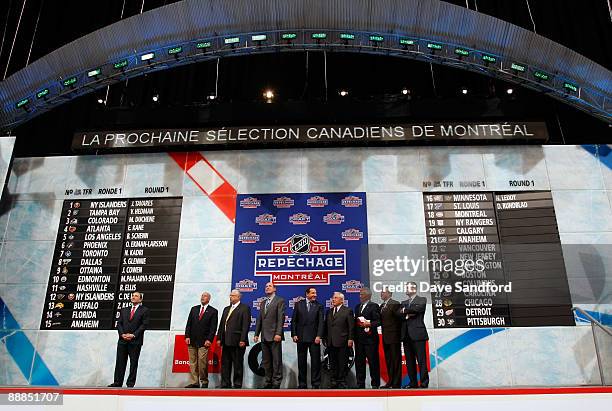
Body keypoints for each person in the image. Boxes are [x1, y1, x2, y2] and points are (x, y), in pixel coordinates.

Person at [108, 291, 149, 388]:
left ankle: (130, 384)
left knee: (133, 363)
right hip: (122, 340)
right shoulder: (124, 310)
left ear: (140, 299)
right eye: (132, 296)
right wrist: (122, 334)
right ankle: (117, 382)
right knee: (120, 362)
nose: (133, 297)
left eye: (136, 296)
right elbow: (119, 323)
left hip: (135, 341)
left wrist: (133, 335)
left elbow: (144, 325)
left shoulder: (145, 310)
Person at [254, 282, 286, 389]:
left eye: (270, 286)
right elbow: (260, 319)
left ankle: (276, 381)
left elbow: (281, 318)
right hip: (264, 336)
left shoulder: (279, 300)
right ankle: (268, 381)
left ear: (275, 289)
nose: (267, 287)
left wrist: (278, 333)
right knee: (266, 360)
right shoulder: (263, 303)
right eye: (266, 286)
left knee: (276, 360)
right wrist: (256, 333)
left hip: (274, 335)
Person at [217, 289, 251, 388]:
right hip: (226, 341)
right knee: (225, 364)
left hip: (238, 341)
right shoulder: (226, 309)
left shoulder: (244, 308)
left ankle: (237, 383)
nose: (230, 297)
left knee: (237, 364)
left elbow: (246, 325)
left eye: (232, 295)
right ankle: (225, 383)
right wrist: (219, 338)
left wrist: (243, 339)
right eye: (230, 295)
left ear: (238, 297)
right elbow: (222, 324)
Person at [291, 286, 324, 389]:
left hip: (314, 338)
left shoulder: (319, 306)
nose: (315, 295)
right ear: (307, 294)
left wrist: (319, 335)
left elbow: (321, 323)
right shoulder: (298, 304)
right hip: (301, 337)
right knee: (301, 362)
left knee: (316, 362)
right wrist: (294, 334)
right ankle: (302, 383)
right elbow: (294, 321)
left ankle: (316, 384)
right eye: (313, 293)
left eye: (315, 293)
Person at [184, 291, 219, 388]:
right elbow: (188, 324)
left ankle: (204, 381)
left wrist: (209, 339)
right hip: (192, 340)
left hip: (204, 341)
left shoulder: (213, 311)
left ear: (209, 299)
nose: (203, 297)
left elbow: (213, 327)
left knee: (202, 362)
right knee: (192, 362)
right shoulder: (194, 309)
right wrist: (187, 336)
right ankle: (195, 382)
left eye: (205, 296)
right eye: (202, 296)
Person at [400, 282, 429, 388]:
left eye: (407, 287)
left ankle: (424, 382)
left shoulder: (422, 299)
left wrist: (405, 311)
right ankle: (413, 383)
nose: (406, 289)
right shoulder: (403, 302)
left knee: (421, 360)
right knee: (409, 361)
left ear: (414, 289)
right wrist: (407, 314)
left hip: (418, 335)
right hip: (406, 336)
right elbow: (399, 314)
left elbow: (418, 309)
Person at [323, 292, 354, 389]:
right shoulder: (329, 311)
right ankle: (333, 381)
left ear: (341, 300)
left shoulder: (348, 311)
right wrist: (325, 338)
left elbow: (351, 327)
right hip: (331, 342)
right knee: (332, 363)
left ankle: (342, 381)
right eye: (333, 298)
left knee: (342, 363)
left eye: (335, 298)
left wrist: (350, 339)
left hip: (343, 341)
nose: (333, 299)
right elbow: (326, 326)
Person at [354, 287, 380, 389]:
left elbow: (378, 321)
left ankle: (375, 384)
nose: (360, 296)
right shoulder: (357, 307)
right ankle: (360, 384)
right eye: (360, 294)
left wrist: (369, 324)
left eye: (362, 294)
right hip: (359, 340)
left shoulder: (374, 306)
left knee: (373, 362)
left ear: (368, 295)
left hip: (371, 340)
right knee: (359, 363)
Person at [379, 289, 402, 388]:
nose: (381, 294)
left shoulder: (395, 303)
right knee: (389, 360)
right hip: (385, 337)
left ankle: (396, 383)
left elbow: (399, 319)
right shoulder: (382, 306)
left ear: (389, 294)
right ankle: (390, 381)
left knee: (396, 360)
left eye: (383, 292)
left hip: (394, 336)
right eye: (381, 292)